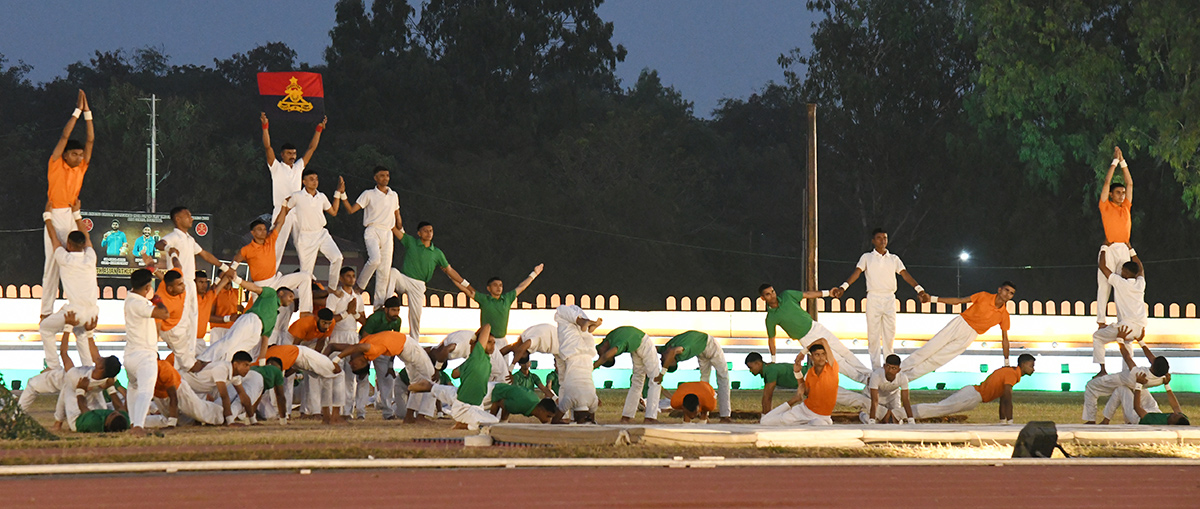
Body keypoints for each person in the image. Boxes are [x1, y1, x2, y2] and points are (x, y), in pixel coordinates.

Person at [831, 228, 930, 369]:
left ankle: (890, 368)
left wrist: (919, 289)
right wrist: (843, 287)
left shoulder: (894, 258)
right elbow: (857, 273)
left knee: (889, 336)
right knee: (873, 337)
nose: (882, 240)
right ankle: (876, 369)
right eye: (879, 238)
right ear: (873, 241)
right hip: (873, 298)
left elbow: (905, 274)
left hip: (889, 298)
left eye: (885, 238)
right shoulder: (867, 257)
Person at [41, 90, 94, 323]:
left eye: (81, 155)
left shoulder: (81, 167)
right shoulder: (56, 164)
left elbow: (90, 140)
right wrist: (76, 112)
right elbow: (64, 136)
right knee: (53, 263)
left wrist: (89, 113)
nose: (79, 158)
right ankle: (45, 310)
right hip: (55, 214)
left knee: (82, 260)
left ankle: (81, 305)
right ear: (65, 155)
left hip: (72, 214)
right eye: (74, 154)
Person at [156, 206, 227, 371]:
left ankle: (187, 362)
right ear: (178, 219)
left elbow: (205, 255)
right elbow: (160, 244)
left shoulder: (189, 239)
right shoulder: (174, 236)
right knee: (183, 323)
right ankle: (182, 364)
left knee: (191, 322)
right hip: (181, 282)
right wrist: (168, 248)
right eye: (187, 215)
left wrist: (223, 266)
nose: (191, 218)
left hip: (190, 283)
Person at [901, 282, 1016, 380]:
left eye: (1011, 293)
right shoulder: (984, 296)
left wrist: (1006, 362)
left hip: (970, 335)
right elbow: (959, 301)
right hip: (960, 323)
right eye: (1006, 290)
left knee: (938, 360)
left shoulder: (1004, 315)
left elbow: (1005, 339)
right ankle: (895, 371)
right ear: (999, 290)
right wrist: (932, 299)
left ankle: (903, 380)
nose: (1008, 294)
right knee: (930, 348)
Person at [758, 284, 870, 383]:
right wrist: (773, 360)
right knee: (837, 362)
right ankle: (865, 381)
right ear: (763, 298)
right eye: (768, 294)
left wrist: (828, 293)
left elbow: (807, 294)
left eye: (773, 291)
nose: (772, 295)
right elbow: (771, 339)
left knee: (844, 352)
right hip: (806, 339)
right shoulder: (771, 318)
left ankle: (870, 375)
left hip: (815, 327)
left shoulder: (787, 295)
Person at [384, 221, 470, 342]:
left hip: (419, 285)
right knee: (393, 272)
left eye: (431, 231)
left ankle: (414, 342)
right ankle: (387, 304)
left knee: (415, 317)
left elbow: (449, 270)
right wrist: (387, 213)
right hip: (404, 279)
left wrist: (466, 284)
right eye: (425, 231)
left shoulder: (436, 252)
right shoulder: (411, 242)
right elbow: (395, 230)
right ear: (419, 233)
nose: (429, 233)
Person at [329, 328, 436, 425]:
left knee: (417, 383)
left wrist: (329, 359)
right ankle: (421, 415)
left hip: (405, 349)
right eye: (354, 365)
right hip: (408, 347)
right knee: (430, 379)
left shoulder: (357, 348)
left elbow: (332, 346)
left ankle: (409, 417)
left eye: (351, 363)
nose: (350, 362)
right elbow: (358, 347)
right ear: (363, 362)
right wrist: (335, 360)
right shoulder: (369, 350)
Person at [38, 199, 98, 370]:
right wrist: (76, 214)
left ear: (69, 245)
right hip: (92, 311)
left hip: (75, 310)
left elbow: (54, 238)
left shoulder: (65, 259)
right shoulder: (90, 257)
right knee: (81, 335)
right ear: (83, 246)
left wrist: (47, 216)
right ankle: (88, 370)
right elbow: (87, 237)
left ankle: (54, 367)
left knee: (45, 329)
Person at [260, 112, 326, 266]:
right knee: (276, 247)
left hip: (298, 211)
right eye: (289, 153)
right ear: (282, 155)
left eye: (294, 153)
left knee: (303, 246)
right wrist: (265, 127)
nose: (292, 156)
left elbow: (311, 148)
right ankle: (270, 279)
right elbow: (267, 147)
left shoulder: (298, 167)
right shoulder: (276, 167)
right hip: (281, 210)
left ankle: (306, 276)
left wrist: (319, 129)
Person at [402, 326, 496, 430]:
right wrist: (437, 369)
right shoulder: (475, 355)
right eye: (489, 342)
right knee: (493, 423)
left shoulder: (477, 361)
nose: (493, 346)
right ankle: (464, 424)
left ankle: (430, 387)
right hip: (465, 408)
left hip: (469, 404)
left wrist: (469, 369)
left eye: (494, 343)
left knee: (450, 392)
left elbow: (454, 374)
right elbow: (487, 326)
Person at [193, 278, 296, 368]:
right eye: (290, 296)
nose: (292, 300)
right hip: (251, 319)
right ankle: (201, 360)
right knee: (229, 341)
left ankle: (218, 370)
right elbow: (255, 288)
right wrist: (237, 279)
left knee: (237, 354)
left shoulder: (275, 315)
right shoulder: (272, 294)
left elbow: (265, 340)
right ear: (281, 293)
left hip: (257, 333)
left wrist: (262, 363)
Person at [231, 204, 313, 316]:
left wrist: (284, 207)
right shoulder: (246, 249)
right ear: (253, 233)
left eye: (264, 229)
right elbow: (233, 265)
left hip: (276, 281)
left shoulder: (270, 240)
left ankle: (305, 311)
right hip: (260, 287)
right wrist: (222, 280)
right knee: (259, 318)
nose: (263, 231)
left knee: (305, 277)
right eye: (259, 230)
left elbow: (279, 223)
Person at [339, 166, 401, 307]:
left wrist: (401, 230)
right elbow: (351, 209)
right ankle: (359, 287)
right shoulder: (369, 194)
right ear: (375, 178)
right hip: (372, 230)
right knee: (374, 259)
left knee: (384, 273)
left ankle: (378, 308)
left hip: (387, 232)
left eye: (387, 175)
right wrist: (343, 195)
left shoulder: (393, 195)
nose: (385, 178)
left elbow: (397, 215)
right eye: (381, 175)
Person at [913, 354, 1036, 423]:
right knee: (941, 407)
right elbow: (1007, 400)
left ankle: (908, 414)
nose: (1033, 369)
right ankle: (905, 414)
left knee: (942, 408)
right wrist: (1010, 422)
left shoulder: (1011, 373)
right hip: (972, 395)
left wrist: (1003, 421)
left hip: (973, 397)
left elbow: (1003, 399)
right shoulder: (1012, 374)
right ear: (1024, 364)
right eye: (1031, 366)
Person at [123, 268, 172, 436]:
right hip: (144, 355)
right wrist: (158, 300)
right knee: (146, 391)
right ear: (146, 287)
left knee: (134, 388)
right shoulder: (139, 303)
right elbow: (164, 314)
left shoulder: (130, 300)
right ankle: (137, 427)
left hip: (130, 355)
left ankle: (133, 423)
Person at [1084, 329, 1169, 424]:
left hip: (1122, 379)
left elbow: (1127, 357)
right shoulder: (1162, 378)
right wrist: (1141, 341)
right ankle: (1107, 420)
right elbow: (1151, 358)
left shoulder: (1139, 374)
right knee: (1122, 390)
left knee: (1091, 386)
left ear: (1153, 365)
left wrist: (1119, 340)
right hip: (1138, 385)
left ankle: (1091, 419)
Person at [1096, 146, 1140, 328]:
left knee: (1124, 286)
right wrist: (1114, 162)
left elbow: (1130, 183)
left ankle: (1124, 319)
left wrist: (1124, 163)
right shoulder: (1105, 205)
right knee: (1104, 285)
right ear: (1112, 195)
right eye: (1118, 193)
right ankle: (1101, 321)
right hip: (1109, 248)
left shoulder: (1126, 207)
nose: (1122, 195)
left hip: (1123, 248)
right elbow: (1106, 183)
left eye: (1122, 193)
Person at [456, 264, 545, 345]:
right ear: (489, 288)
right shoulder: (484, 299)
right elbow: (466, 289)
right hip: (487, 340)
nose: (498, 288)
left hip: (502, 341)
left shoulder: (507, 299)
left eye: (500, 285)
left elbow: (522, 286)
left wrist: (534, 274)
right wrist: (451, 276)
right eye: (495, 285)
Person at [761, 338, 839, 426]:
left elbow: (823, 341)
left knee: (819, 425)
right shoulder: (810, 372)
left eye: (823, 354)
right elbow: (806, 392)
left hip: (822, 417)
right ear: (811, 357)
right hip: (804, 410)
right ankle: (802, 422)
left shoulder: (832, 367)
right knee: (765, 421)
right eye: (817, 355)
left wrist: (803, 352)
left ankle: (806, 425)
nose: (821, 358)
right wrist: (797, 373)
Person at [659, 330, 731, 423]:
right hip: (700, 349)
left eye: (664, 360)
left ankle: (725, 416)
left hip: (708, 343)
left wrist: (662, 373)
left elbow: (673, 351)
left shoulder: (674, 350)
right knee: (704, 383)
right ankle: (705, 415)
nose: (661, 357)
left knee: (722, 377)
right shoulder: (667, 350)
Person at [287, 169, 343, 287]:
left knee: (337, 258)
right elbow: (285, 210)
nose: (315, 182)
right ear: (304, 182)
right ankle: (301, 300)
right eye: (311, 179)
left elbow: (333, 211)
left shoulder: (321, 196)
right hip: (305, 237)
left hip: (321, 233)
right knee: (306, 274)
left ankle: (332, 288)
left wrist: (338, 193)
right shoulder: (297, 196)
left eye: (316, 179)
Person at [595, 325, 662, 423]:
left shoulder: (614, 343)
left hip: (642, 343)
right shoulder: (611, 340)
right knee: (648, 380)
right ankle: (646, 417)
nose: (600, 354)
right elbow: (605, 355)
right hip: (637, 344)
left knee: (649, 380)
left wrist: (593, 366)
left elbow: (606, 355)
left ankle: (630, 416)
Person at [1092, 256, 1146, 376]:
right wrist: (1131, 249)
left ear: (1126, 272)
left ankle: (1102, 370)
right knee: (1127, 344)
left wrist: (1105, 247)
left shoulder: (1120, 282)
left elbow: (1102, 266)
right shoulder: (1140, 284)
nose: (1121, 272)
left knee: (1097, 337)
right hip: (1140, 329)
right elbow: (1141, 268)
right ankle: (1128, 373)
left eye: (1122, 270)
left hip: (1125, 326)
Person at [55, 336, 121, 432]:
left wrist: (67, 328)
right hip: (100, 411)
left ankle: (58, 423)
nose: (100, 357)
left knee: (67, 386)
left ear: (101, 367)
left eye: (103, 359)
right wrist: (89, 334)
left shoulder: (77, 377)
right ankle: (57, 423)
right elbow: (96, 356)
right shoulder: (110, 378)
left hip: (80, 418)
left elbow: (63, 353)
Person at [264, 344, 343, 424]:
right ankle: (332, 417)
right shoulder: (272, 357)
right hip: (298, 355)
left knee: (333, 375)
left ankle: (330, 417)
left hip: (300, 354)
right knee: (335, 375)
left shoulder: (268, 361)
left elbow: (278, 393)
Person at [354, 297, 403, 419]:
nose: (396, 313)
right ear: (386, 310)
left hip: (383, 350)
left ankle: (388, 413)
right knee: (363, 379)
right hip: (367, 348)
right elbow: (364, 339)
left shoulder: (397, 321)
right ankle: (360, 413)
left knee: (387, 379)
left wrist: (391, 365)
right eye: (393, 310)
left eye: (397, 310)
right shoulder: (374, 318)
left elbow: (395, 342)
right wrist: (364, 362)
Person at [554, 307, 601, 424]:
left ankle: (587, 328)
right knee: (560, 312)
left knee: (575, 312)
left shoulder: (592, 401)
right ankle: (582, 322)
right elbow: (555, 420)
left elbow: (592, 415)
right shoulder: (570, 400)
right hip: (573, 354)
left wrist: (591, 420)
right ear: (576, 415)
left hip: (588, 357)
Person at [182, 350, 254, 426]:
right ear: (235, 364)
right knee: (184, 421)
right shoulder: (221, 368)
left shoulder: (235, 376)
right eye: (245, 365)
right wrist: (230, 421)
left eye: (249, 366)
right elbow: (224, 395)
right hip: (182, 381)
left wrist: (253, 421)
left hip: (195, 390)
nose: (248, 369)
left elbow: (243, 396)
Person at [847, 354, 914, 424]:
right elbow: (874, 400)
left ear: (898, 370)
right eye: (888, 367)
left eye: (894, 368)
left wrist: (911, 420)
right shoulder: (876, 375)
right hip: (872, 398)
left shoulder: (903, 377)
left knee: (898, 421)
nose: (890, 370)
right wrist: (872, 421)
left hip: (892, 398)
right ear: (884, 366)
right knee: (866, 418)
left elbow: (906, 400)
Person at [1104, 381, 1189, 426]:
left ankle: (1106, 420)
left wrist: (1138, 386)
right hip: (1154, 410)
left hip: (1138, 416)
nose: (1174, 413)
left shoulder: (1156, 423)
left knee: (1122, 389)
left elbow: (1137, 407)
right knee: (1135, 383)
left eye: (1174, 416)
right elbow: (1175, 406)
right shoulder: (1182, 419)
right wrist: (1166, 384)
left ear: (1171, 425)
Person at [745, 351, 799, 416]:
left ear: (758, 363)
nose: (750, 371)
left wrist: (765, 417)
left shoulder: (770, 371)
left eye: (751, 367)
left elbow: (767, 397)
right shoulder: (768, 370)